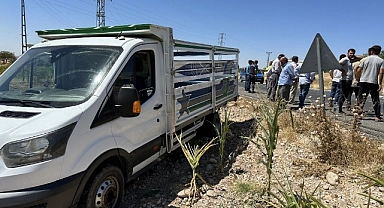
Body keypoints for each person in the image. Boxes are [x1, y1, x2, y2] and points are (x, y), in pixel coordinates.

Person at [355, 45, 384, 122]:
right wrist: (380, 83)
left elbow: (358, 70)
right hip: (373, 81)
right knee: (375, 99)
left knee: (361, 98)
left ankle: (358, 115)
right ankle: (378, 116)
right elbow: (381, 73)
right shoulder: (381, 61)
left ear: (372, 51)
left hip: (363, 81)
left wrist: (358, 78)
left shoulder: (365, 59)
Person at [338, 48, 362, 113]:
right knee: (343, 94)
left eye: (353, 53)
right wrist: (343, 71)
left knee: (348, 93)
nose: (352, 54)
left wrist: (354, 56)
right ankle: (339, 108)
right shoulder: (345, 59)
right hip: (345, 79)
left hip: (349, 79)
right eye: (350, 53)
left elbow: (361, 58)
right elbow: (338, 64)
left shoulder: (351, 60)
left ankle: (346, 106)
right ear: (347, 53)